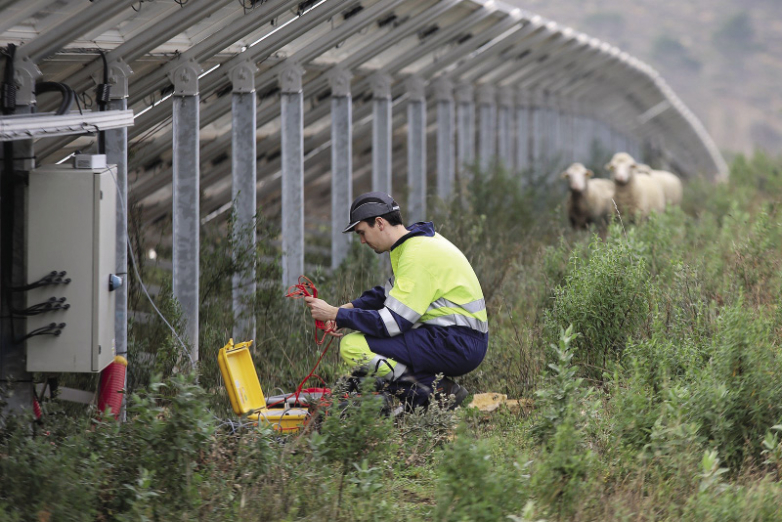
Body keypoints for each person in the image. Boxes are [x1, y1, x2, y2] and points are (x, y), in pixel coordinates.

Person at [304, 191, 488, 410]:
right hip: (458, 337)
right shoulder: (417, 243)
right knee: (371, 344)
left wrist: (336, 314)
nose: (362, 241)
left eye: (362, 232)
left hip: (458, 342)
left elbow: (390, 323)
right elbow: (388, 293)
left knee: (353, 346)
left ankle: (434, 395)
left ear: (380, 223)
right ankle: (432, 391)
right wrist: (347, 309)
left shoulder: (416, 255)